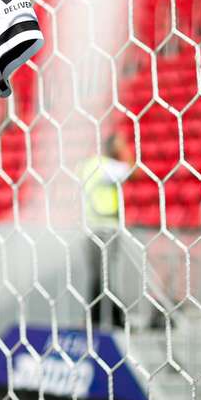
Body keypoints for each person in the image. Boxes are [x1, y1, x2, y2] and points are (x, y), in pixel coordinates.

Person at [77, 131, 136, 328]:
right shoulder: (106, 166)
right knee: (106, 276)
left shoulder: (87, 165)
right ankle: (115, 319)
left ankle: (95, 318)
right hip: (106, 227)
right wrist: (124, 150)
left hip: (88, 227)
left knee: (97, 275)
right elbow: (133, 171)